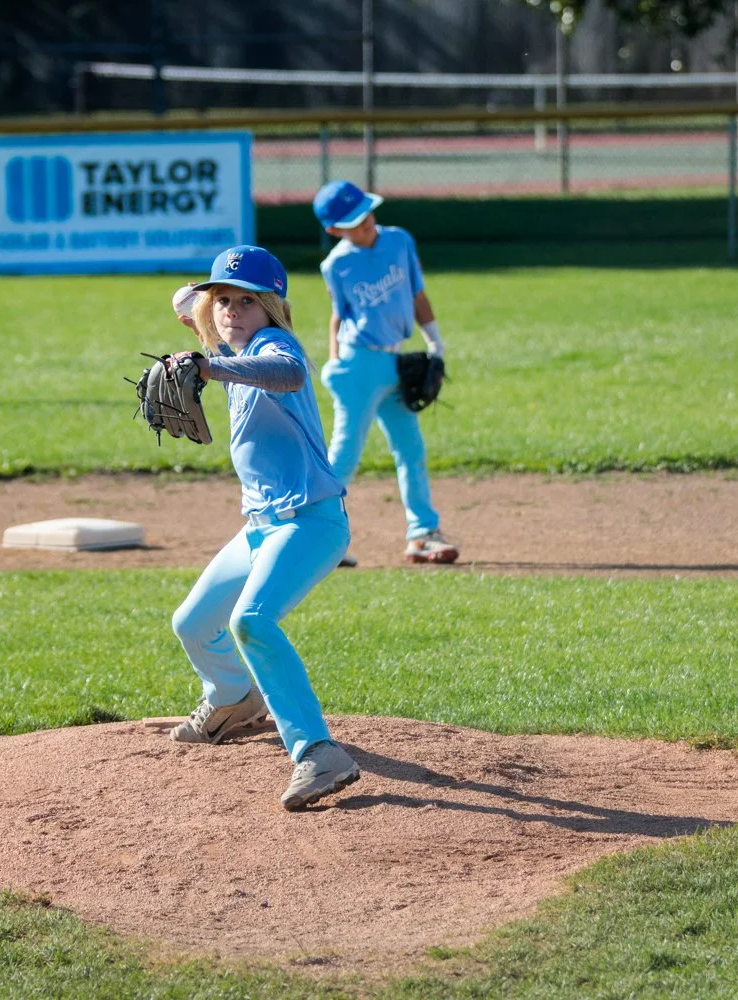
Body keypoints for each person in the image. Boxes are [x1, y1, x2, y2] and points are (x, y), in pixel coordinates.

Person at [165, 245, 360, 812]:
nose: (232, 310)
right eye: (224, 301)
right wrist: (204, 311)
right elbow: (190, 303)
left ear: (272, 306)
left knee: (250, 619)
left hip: (312, 521)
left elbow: (287, 373)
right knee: (194, 622)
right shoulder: (227, 341)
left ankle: (318, 750)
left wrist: (207, 363)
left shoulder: (274, 347)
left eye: (247, 301)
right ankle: (231, 698)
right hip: (260, 527)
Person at [313, 179, 458, 566]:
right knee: (344, 455)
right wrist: (334, 360)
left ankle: (422, 534)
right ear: (334, 230)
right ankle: (313, 538)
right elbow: (338, 316)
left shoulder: (399, 241)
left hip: (396, 362)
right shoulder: (336, 264)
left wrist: (436, 344)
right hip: (359, 364)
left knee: (410, 449)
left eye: (367, 215)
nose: (366, 225)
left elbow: (417, 294)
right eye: (354, 222)